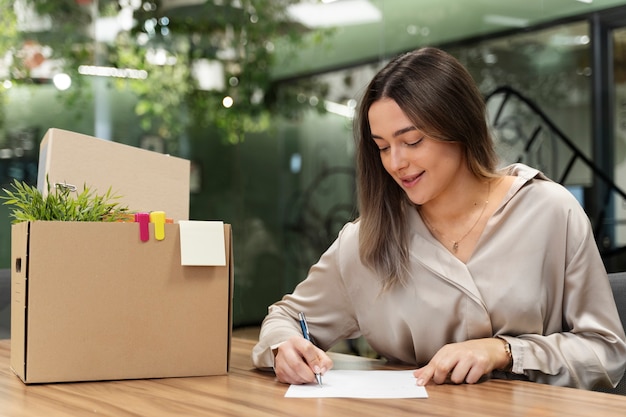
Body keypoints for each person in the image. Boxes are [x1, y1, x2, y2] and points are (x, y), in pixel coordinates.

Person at [251, 47, 626, 389]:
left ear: (459, 126)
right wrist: (286, 347)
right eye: (382, 147)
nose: (396, 163)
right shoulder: (367, 239)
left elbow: (606, 351)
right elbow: (285, 317)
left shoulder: (550, 211)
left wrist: (506, 351)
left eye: (412, 141)